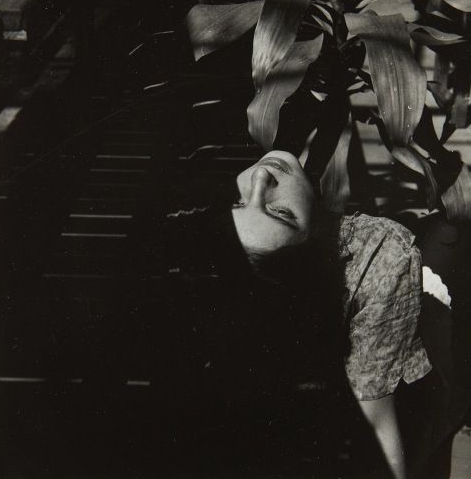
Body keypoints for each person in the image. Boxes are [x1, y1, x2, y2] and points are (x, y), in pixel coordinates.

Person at [161, 149, 445, 479]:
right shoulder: (382, 255)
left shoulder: (201, 241)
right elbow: (378, 417)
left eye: (237, 202)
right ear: (315, 239)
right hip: (356, 351)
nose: (260, 177)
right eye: (281, 213)